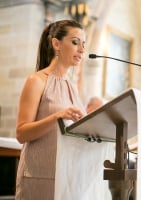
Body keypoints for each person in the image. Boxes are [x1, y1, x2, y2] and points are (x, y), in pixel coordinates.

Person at [15, 20, 86, 199]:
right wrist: (57, 116)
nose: (82, 50)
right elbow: (22, 133)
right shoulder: (37, 81)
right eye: (75, 42)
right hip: (39, 176)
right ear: (56, 44)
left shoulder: (72, 87)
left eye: (84, 44)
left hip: (66, 177)